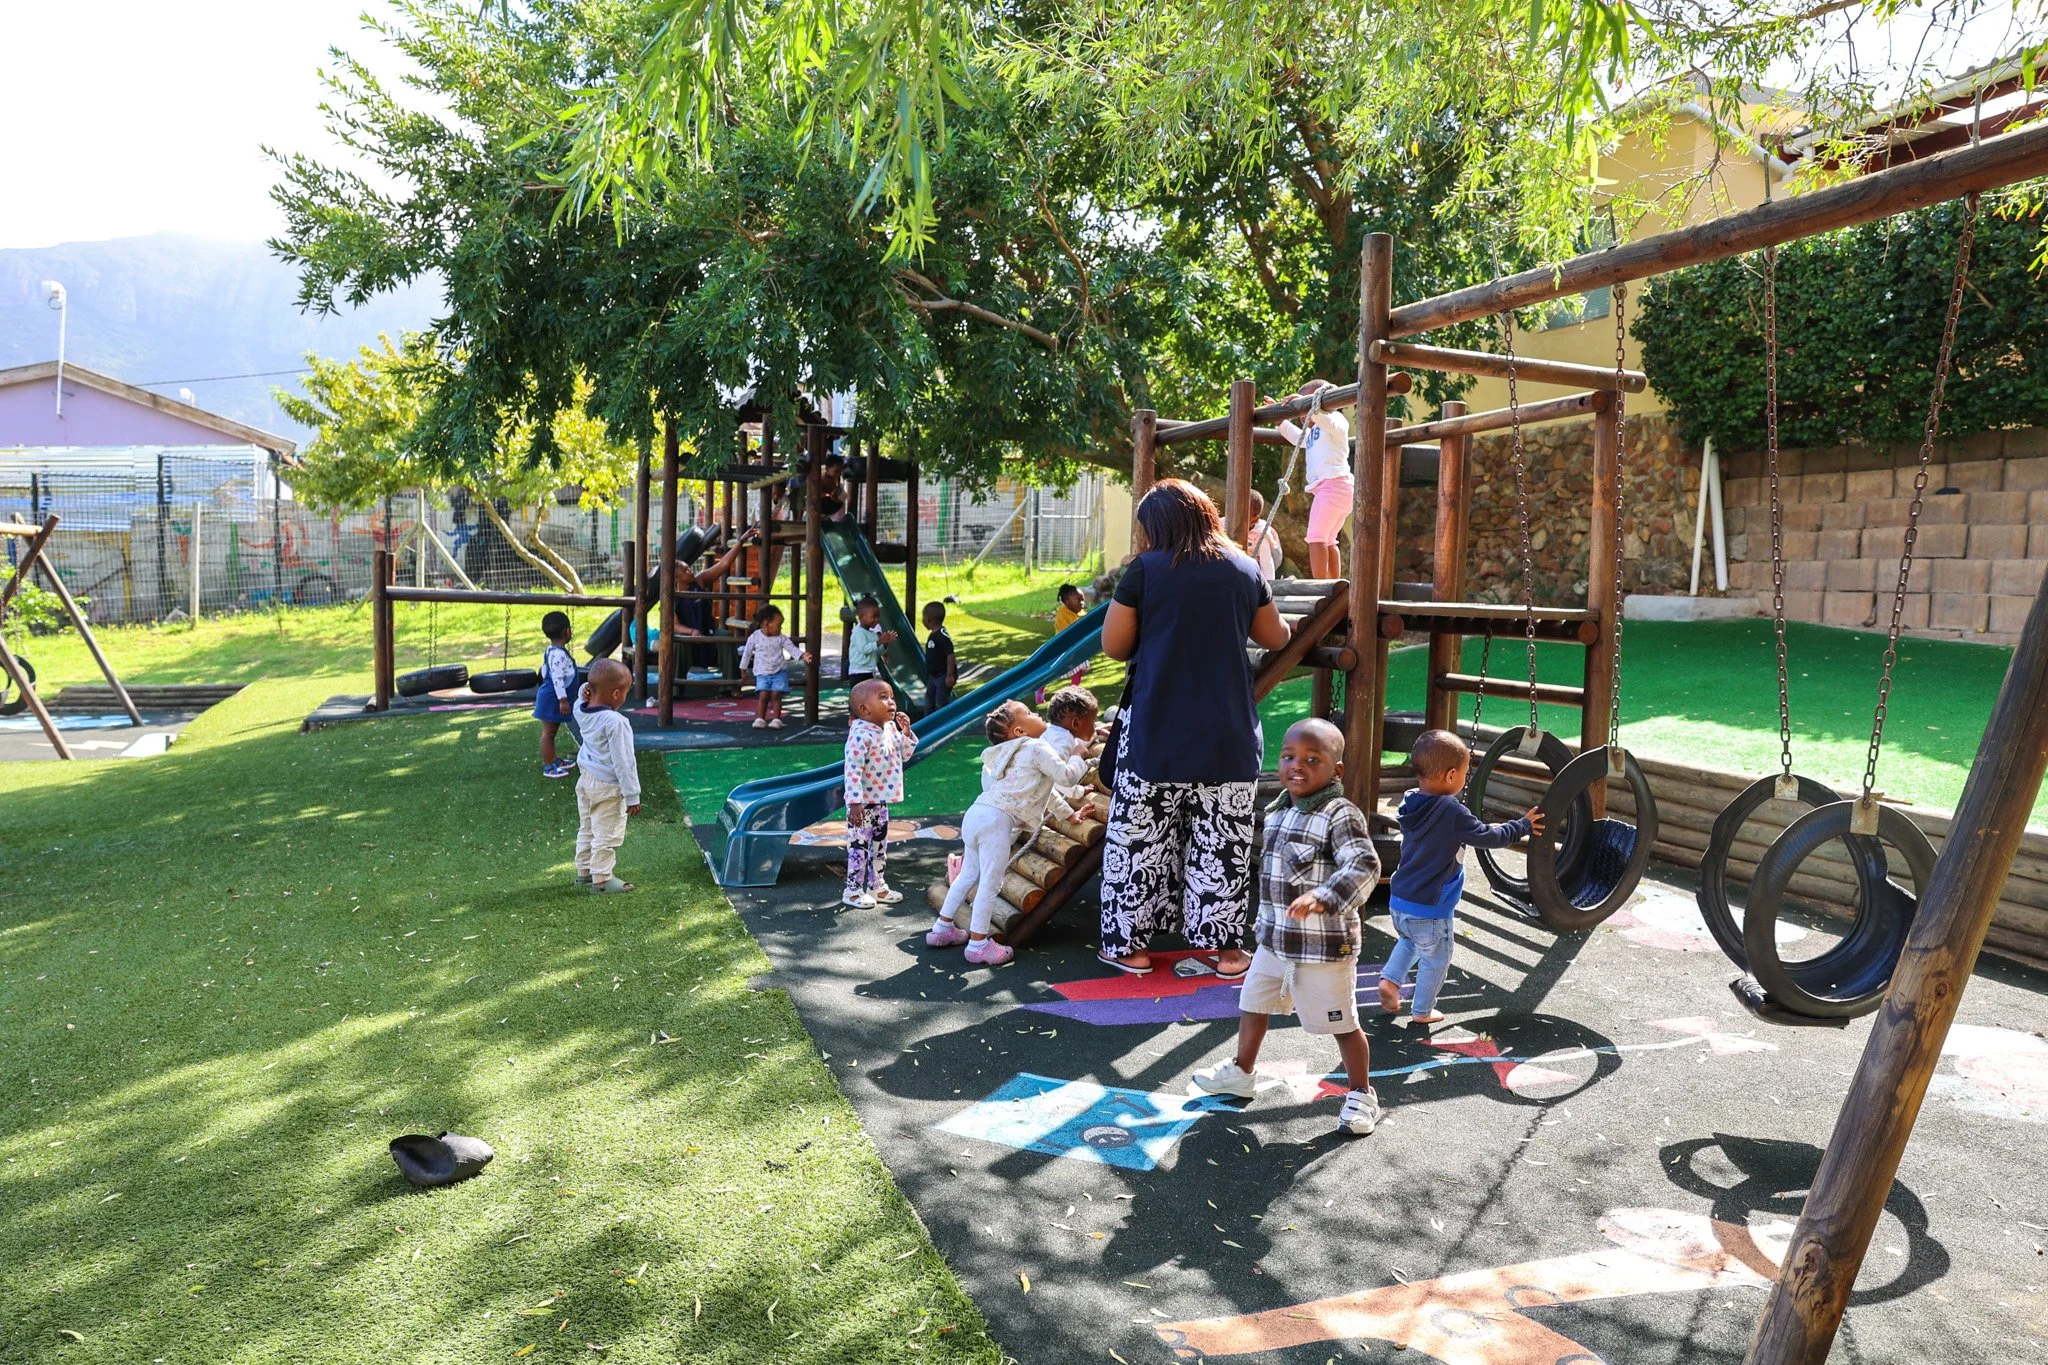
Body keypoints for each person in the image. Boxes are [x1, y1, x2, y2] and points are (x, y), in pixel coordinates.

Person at [1098, 479, 1292, 978]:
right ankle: (1227, 953)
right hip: (1227, 733)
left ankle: (1130, 948)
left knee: (1138, 841)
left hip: (1157, 731)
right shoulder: (1243, 569)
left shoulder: (1144, 571)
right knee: (1222, 843)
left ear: (1154, 527)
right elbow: (1275, 636)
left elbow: (1115, 646)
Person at [1193, 719, 1383, 1135]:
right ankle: (1242, 1073)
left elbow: (1365, 864)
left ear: (1336, 771)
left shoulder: (1339, 814)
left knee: (1341, 1023)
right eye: (1288, 756)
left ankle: (1361, 1093)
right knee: (1253, 1003)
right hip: (1276, 941)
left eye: (1312, 760)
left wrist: (1324, 896)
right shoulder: (1279, 809)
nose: (1297, 766)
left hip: (1322, 948)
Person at [1378, 729, 1544, 1024]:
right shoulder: (1450, 810)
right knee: (1437, 958)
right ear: (1451, 775)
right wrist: (1522, 825)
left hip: (1400, 899)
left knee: (1410, 941)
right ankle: (1422, 1012)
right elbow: (1488, 836)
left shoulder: (1411, 803)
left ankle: (1389, 981)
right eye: (1465, 774)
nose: (1465, 780)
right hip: (1431, 907)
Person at [930, 699, 1097, 966]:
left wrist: (1069, 814)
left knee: (968, 874)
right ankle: (978, 945)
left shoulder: (1009, 754)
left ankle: (942, 929)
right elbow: (1066, 777)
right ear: (1020, 731)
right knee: (991, 883)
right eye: (1029, 713)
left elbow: (1046, 791)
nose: (1037, 713)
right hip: (996, 821)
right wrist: (1078, 754)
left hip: (977, 813)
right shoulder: (1035, 746)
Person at [842, 678, 918, 909]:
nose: (891, 702)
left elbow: (905, 754)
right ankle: (853, 890)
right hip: (862, 804)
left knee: (879, 844)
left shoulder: (889, 729)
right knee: (859, 846)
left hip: (880, 801)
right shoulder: (860, 735)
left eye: (891, 697)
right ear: (864, 709)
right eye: (883, 698)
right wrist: (855, 803)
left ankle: (877, 885)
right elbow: (852, 769)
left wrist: (906, 731)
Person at [573, 659, 641, 893]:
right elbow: (624, 762)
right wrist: (633, 795)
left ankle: (583, 872)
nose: (625, 697)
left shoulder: (580, 710)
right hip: (607, 786)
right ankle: (601, 878)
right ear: (615, 694)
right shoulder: (616, 722)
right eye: (625, 692)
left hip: (585, 780)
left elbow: (583, 693)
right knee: (606, 833)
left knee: (587, 827)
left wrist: (590, 687)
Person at [1275, 380, 1353, 580]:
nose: (1302, 415)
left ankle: (1319, 584)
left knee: (1316, 537)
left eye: (1306, 405)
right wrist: (1280, 421)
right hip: (1334, 488)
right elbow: (1297, 438)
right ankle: (1334, 583)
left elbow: (1325, 419)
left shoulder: (1336, 421)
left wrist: (1306, 405)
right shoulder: (1315, 432)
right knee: (1328, 540)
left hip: (1334, 485)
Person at [739, 604, 808, 730]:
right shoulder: (755, 637)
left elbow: (791, 648)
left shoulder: (781, 638)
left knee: (776, 694)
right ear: (767, 623)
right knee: (763, 694)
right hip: (762, 672)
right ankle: (760, 718)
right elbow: (747, 653)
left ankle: (776, 719)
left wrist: (803, 655)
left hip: (778, 671)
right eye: (778, 624)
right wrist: (743, 670)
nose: (780, 628)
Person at [534, 610, 579, 778]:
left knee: (552, 732)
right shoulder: (558, 654)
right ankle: (549, 766)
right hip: (552, 699)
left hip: (552, 698)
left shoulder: (553, 651)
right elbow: (557, 678)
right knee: (549, 733)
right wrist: (563, 700)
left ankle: (554, 760)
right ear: (567, 631)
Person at [845, 595, 894, 689]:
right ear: (861, 617)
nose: (877, 619)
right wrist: (880, 641)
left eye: (878, 616)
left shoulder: (873, 634)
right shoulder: (858, 632)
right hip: (858, 673)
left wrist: (885, 643)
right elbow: (864, 649)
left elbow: (878, 652)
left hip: (869, 671)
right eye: (873, 617)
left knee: (868, 698)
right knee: (859, 697)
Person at [1042, 687, 1101, 760]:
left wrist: (1096, 733)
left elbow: (1079, 742)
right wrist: (1078, 756)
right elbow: (1059, 770)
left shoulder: (1056, 732)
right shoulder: (1062, 743)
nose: (1094, 725)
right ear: (1076, 724)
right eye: (1093, 721)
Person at [923, 601, 958, 711]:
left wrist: (950, 675)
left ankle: (944, 724)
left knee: (940, 702)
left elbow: (950, 655)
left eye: (923, 617)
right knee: (929, 701)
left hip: (943, 676)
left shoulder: (942, 636)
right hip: (933, 676)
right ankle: (928, 724)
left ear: (928, 619)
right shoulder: (933, 635)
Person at [1245, 489, 1282, 583]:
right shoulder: (1223, 524)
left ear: (1254, 520)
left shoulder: (1261, 535)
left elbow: (1267, 566)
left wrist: (1268, 587)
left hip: (1267, 557)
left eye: (1242, 515)